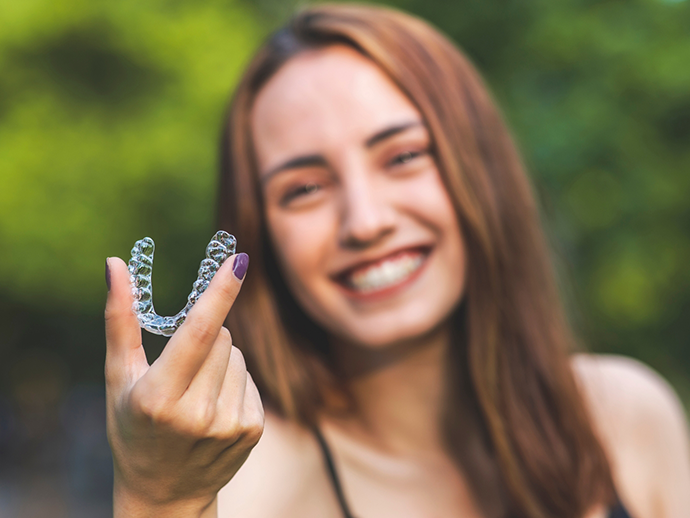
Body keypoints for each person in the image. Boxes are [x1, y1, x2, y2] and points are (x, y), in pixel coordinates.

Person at [103, 4, 690, 518]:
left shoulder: (626, 416)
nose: (365, 221)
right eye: (304, 189)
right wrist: (160, 501)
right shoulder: (241, 483)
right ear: (261, 234)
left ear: (482, 169)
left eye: (404, 155)